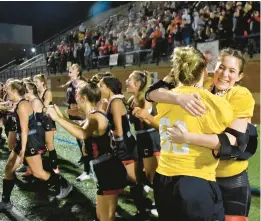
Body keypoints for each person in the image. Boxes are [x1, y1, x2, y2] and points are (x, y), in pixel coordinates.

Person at [133, 46, 234, 221]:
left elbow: (154, 93)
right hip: (196, 181)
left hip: (164, 179)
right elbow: (228, 140)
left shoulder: (164, 99)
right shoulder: (218, 104)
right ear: (203, 70)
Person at [164, 48, 255, 221]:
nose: (224, 74)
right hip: (201, 176)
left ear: (240, 76)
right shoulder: (203, 86)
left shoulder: (241, 95)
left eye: (232, 71)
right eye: (221, 67)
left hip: (230, 179)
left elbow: (230, 142)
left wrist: (187, 137)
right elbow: (155, 92)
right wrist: (176, 97)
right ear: (214, 66)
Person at [47, 82, 127, 221]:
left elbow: (82, 134)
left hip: (108, 169)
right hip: (103, 167)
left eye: (76, 95)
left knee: (106, 217)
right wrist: (62, 117)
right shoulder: (91, 116)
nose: (75, 98)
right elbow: (81, 127)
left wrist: (57, 119)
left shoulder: (95, 117)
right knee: (102, 216)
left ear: (83, 98)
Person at [0, 80, 72, 213]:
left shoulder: (23, 105)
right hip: (22, 141)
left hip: (29, 142)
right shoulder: (17, 103)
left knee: (39, 173)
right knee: (8, 170)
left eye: (8, 89)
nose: (6, 91)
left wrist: (22, 150)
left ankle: (64, 184)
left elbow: (25, 129)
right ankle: (5, 202)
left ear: (15, 91)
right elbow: (6, 106)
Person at [99, 76, 149, 220]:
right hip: (125, 144)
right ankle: (142, 209)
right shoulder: (113, 101)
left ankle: (144, 213)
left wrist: (111, 141)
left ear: (108, 88)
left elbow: (118, 130)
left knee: (132, 181)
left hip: (125, 146)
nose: (99, 89)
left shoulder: (115, 102)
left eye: (101, 86)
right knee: (131, 180)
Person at [126, 70, 160, 184]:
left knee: (152, 175)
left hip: (150, 138)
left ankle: (160, 199)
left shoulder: (145, 98)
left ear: (137, 83)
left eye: (129, 79)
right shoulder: (132, 100)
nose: (126, 81)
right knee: (143, 174)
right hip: (140, 138)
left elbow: (148, 119)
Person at [33, 74, 59, 174]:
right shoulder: (36, 93)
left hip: (48, 121)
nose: (35, 84)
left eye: (37, 82)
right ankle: (41, 165)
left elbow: (44, 106)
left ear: (42, 82)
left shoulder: (47, 92)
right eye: (34, 82)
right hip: (39, 120)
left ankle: (55, 167)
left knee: (49, 144)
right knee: (40, 144)